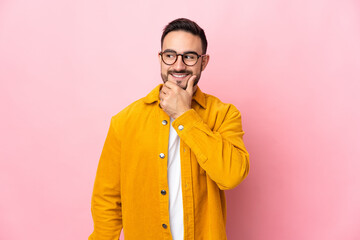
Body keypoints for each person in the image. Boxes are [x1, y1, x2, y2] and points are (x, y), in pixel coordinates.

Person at [89, 18, 250, 240]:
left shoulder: (224, 115)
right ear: (161, 58)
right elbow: (107, 200)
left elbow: (231, 175)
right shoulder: (124, 121)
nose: (178, 65)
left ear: (204, 62)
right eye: (170, 55)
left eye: (189, 57)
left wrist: (184, 115)